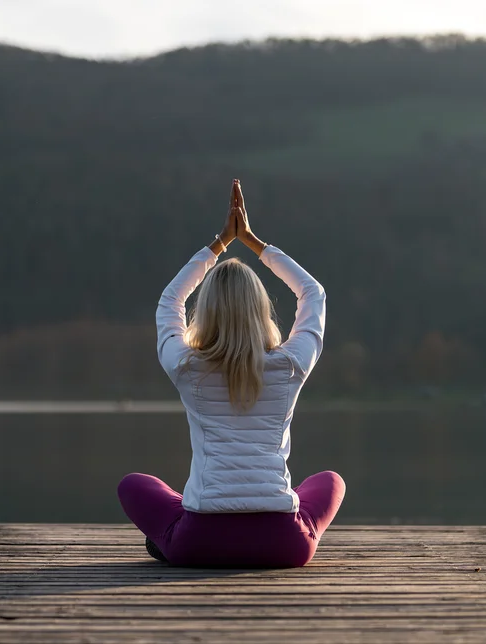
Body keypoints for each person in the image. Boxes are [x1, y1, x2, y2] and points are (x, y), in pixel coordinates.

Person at [117, 180, 344, 568]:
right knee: (330, 481)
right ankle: (292, 529)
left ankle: (170, 539)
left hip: (200, 542)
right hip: (284, 544)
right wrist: (255, 243)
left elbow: (170, 302)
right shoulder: (290, 366)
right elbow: (313, 293)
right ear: (260, 310)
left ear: (205, 312)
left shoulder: (187, 368)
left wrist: (219, 244)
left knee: (133, 485)